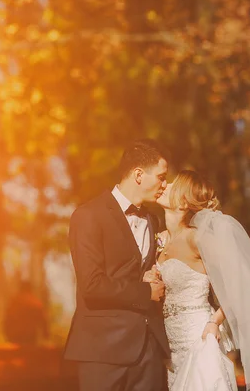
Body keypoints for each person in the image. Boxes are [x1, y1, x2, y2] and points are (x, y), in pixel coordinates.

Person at [148, 170, 250, 391]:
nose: (165, 185)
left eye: (173, 185)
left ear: (183, 203)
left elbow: (237, 287)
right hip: (168, 346)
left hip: (198, 338)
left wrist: (215, 322)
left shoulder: (197, 239)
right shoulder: (159, 239)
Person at [64, 139, 171, 391]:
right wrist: (146, 292)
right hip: (103, 350)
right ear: (138, 175)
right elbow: (92, 285)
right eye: (161, 177)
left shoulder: (153, 220)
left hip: (149, 352)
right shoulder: (88, 216)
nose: (164, 185)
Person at [4, 280, 49, 345]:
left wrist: (8, 334)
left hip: (15, 336)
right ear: (30, 290)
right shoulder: (35, 303)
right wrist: (46, 335)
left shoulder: (14, 302)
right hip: (30, 337)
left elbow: (7, 320)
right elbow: (43, 321)